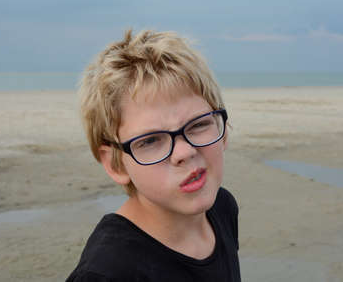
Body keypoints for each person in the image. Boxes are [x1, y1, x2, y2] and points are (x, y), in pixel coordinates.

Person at [66, 29, 240, 281]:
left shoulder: (222, 207)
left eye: (199, 124)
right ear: (116, 164)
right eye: (150, 141)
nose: (184, 152)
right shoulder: (107, 273)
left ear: (223, 130)